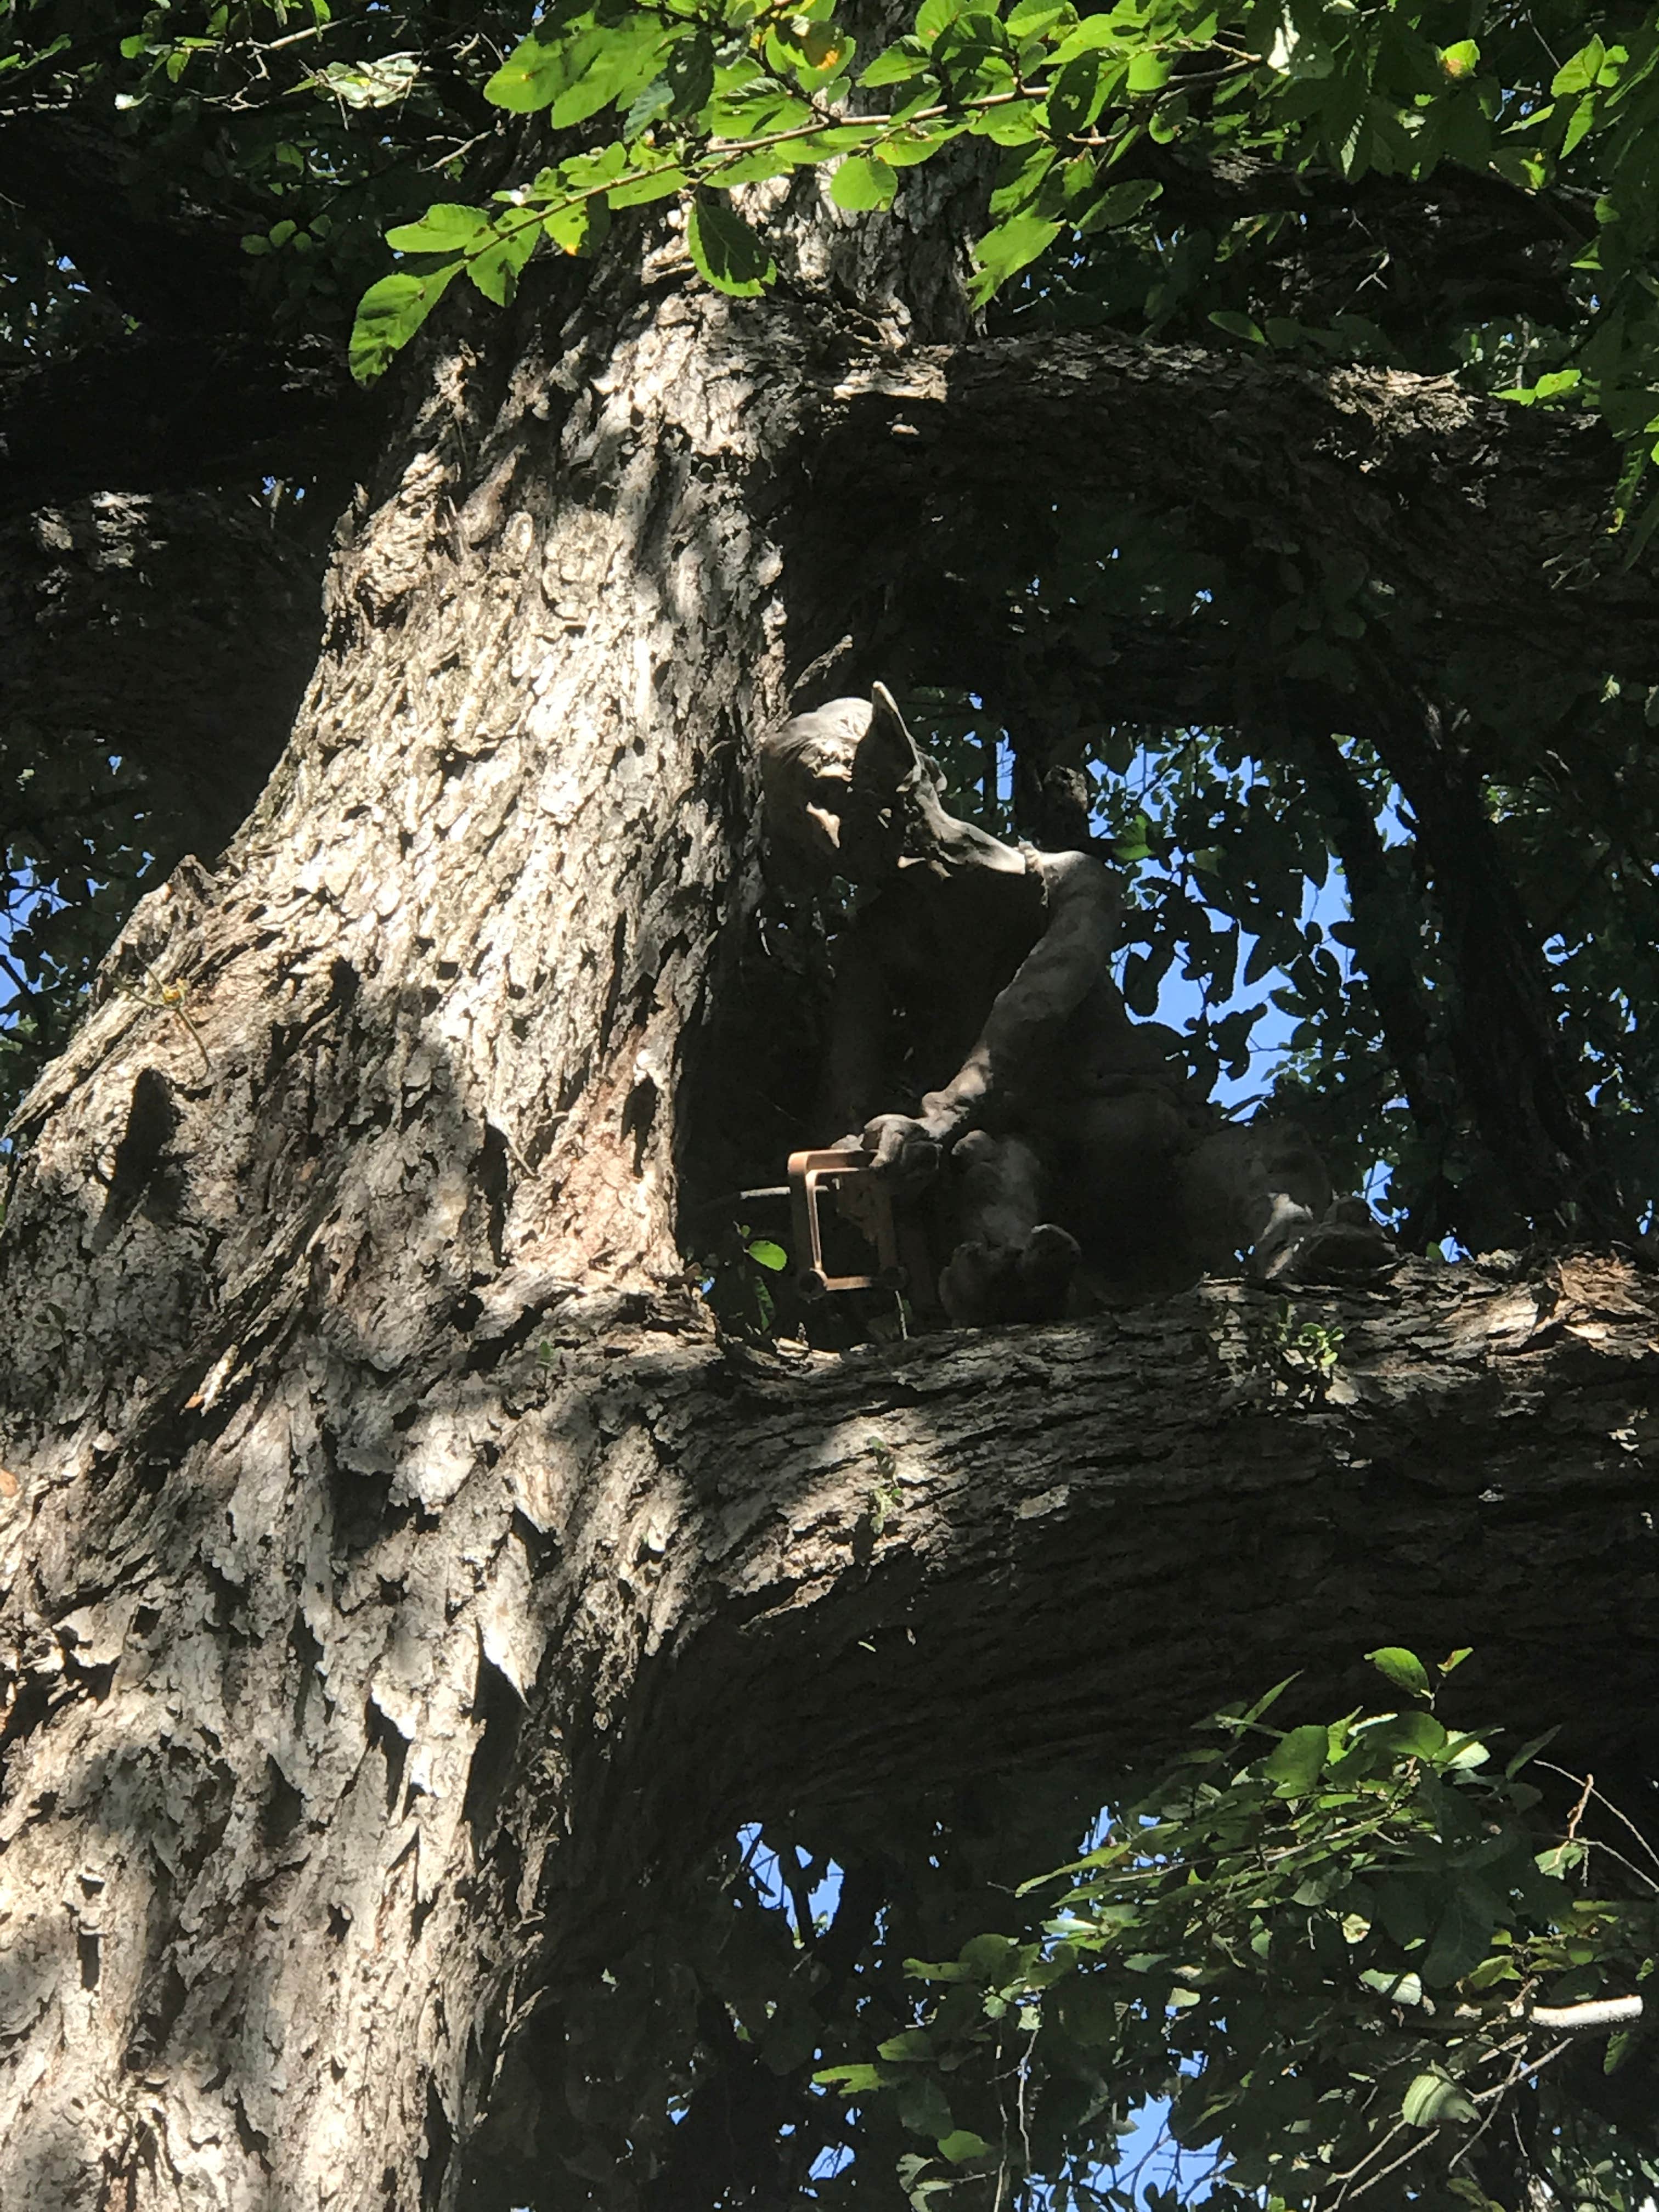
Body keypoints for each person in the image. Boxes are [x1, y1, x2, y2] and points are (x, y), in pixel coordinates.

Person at [760, 684, 1391, 1323]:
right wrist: (881, 1151)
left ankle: (1308, 1256)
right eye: (803, 824)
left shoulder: (1071, 880)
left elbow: (1040, 1001)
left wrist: (939, 1116)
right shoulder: (874, 952)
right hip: (1029, 1165)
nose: (826, 835)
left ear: (896, 769)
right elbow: (845, 1114)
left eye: (833, 795)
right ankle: (1010, 1289)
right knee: (993, 1177)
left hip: (1156, 1151)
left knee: (1270, 1165)